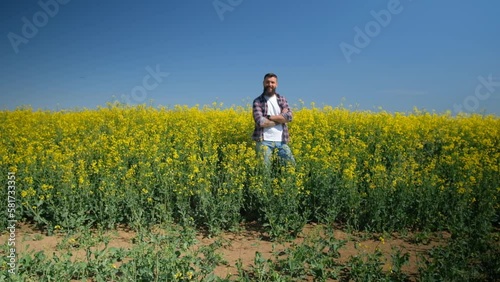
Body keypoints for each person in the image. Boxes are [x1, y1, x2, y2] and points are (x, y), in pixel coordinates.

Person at [252, 73, 296, 167]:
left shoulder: (282, 99)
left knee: (291, 167)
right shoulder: (258, 101)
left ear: (276, 84)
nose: (270, 84)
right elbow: (260, 122)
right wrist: (281, 118)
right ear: (263, 83)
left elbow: (289, 117)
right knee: (265, 171)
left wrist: (269, 117)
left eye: (272, 82)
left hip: (281, 141)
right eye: (267, 82)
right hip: (264, 141)